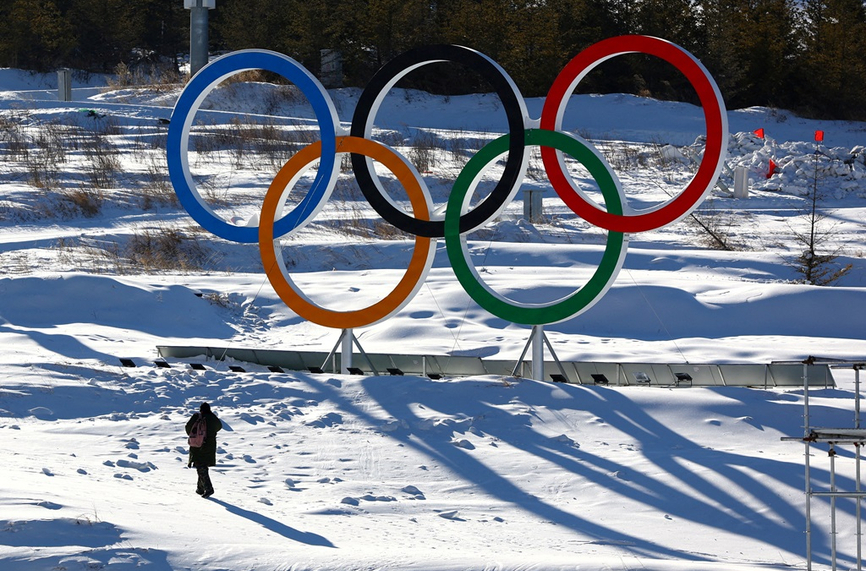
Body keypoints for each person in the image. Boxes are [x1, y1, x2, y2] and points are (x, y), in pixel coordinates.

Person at [185, 402, 222, 498]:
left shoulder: (197, 417)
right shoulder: (213, 418)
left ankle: (208, 488)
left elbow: (188, 428)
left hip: (198, 445)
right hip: (210, 444)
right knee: (203, 466)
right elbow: (219, 427)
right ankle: (200, 488)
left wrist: (195, 434)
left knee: (200, 465)